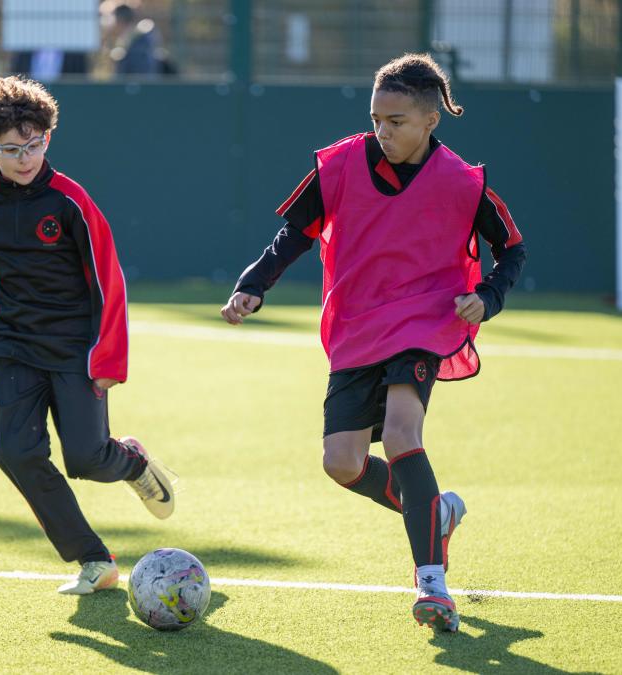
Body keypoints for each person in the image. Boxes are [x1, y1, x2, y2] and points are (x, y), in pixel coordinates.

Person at [221, 53, 527, 632]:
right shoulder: (337, 165)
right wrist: (253, 285)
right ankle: (433, 513)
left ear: (431, 120)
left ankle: (432, 585)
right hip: (356, 325)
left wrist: (488, 295)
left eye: (397, 121)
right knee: (341, 462)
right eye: (376, 118)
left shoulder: (463, 182)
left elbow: (511, 248)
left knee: (402, 430)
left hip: (423, 321)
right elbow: (295, 234)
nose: (383, 131)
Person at [0, 75, 174, 596]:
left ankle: (131, 461)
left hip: (75, 351)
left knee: (86, 458)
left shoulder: (71, 203)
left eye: (33, 145)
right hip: (12, 348)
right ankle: (93, 559)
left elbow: (109, 280)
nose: (24, 158)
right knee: (15, 451)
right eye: (11, 149)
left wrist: (109, 359)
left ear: (48, 138)